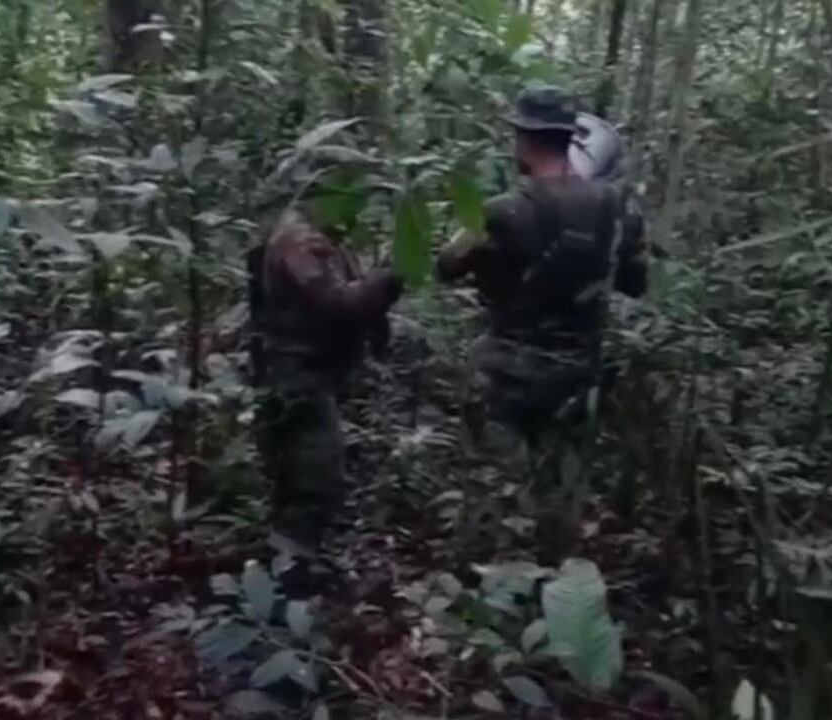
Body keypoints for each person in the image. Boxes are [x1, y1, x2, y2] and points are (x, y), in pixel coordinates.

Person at [435, 85, 648, 557]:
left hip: (506, 375)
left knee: (490, 488)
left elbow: (445, 266)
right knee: (562, 494)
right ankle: (555, 589)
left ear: (523, 138)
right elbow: (636, 282)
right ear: (571, 137)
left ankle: (481, 591)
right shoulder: (619, 211)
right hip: (575, 377)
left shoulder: (502, 212)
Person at [248, 202, 404, 550]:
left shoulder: (328, 237)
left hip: (314, 373)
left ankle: (291, 568)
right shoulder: (297, 240)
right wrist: (394, 273)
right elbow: (338, 303)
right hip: (295, 377)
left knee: (309, 480)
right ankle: (285, 578)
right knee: (312, 483)